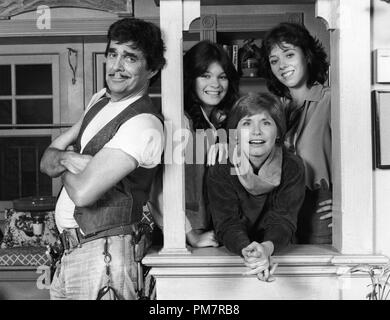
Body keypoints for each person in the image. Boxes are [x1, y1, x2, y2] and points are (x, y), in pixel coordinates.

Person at [40, 18, 166, 300]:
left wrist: (63, 158)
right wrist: (71, 160)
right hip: (71, 253)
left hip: (105, 256)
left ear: (152, 69)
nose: (117, 66)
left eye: (130, 58)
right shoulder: (99, 102)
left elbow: (84, 193)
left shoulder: (144, 123)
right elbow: (47, 161)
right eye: (113, 54)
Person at [148, 40, 239, 248]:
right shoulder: (178, 120)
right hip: (181, 236)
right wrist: (191, 236)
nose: (215, 84)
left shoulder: (222, 122)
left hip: (215, 231)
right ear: (190, 79)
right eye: (205, 76)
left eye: (222, 77)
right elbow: (161, 190)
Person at [206, 92, 305, 281]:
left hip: (279, 250)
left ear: (278, 132)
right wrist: (249, 252)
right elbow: (227, 222)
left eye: (266, 123)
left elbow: (283, 220)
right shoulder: (222, 167)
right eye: (246, 123)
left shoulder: (292, 166)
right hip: (233, 254)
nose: (256, 131)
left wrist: (266, 249)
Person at [259, 22, 332, 244]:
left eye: (289, 54)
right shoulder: (276, 109)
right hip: (279, 213)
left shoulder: (331, 100)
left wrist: (348, 204)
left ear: (307, 55)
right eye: (274, 60)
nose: (282, 65)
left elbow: (362, 160)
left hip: (318, 211)